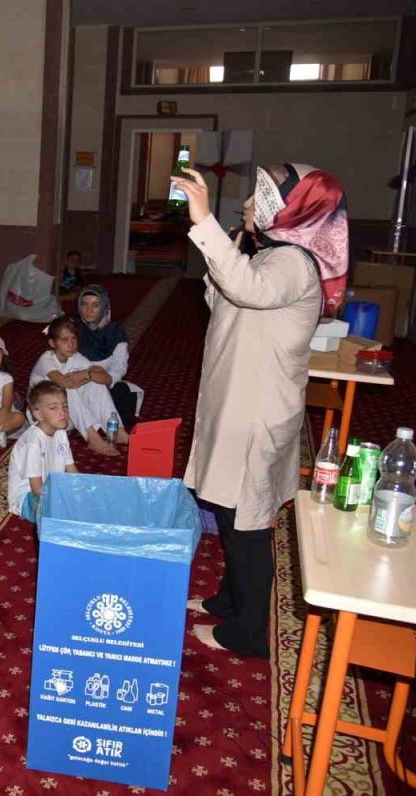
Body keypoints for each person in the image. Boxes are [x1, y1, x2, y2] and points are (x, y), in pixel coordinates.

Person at [171, 163, 346, 659]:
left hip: (255, 413)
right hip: (238, 403)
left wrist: (203, 221)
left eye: (259, 199)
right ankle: (229, 600)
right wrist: (228, 251)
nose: (248, 205)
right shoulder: (273, 257)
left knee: (245, 522)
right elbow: (228, 298)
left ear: (291, 211)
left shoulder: (292, 262)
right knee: (229, 513)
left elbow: (246, 290)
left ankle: (246, 633)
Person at [29, 316, 129, 457]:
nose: (71, 344)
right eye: (64, 340)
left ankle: (116, 430)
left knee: (96, 383)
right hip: (43, 418)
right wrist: (85, 375)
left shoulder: (75, 357)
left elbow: (104, 377)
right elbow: (65, 383)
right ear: (52, 343)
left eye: (73, 339)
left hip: (65, 418)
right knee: (67, 390)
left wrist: (85, 374)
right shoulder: (47, 359)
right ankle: (92, 437)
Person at [76, 284, 142, 431]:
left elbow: (120, 365)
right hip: (79, 383)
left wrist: (107, 380)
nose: (89, 310)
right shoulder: (74, 329)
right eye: (84, 304)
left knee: (121, 391)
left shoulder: (115, 332)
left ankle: (117, 428)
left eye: (95, 305)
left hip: (106, 381)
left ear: (104, 307)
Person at [8, 382, 78, 519]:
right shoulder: (33, 441)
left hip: (51, 489)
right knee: (53, 509)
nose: (62, 412)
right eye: (53, 408)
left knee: (84, 500)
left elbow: (72, 472)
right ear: (38, 414)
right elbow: (37, 489)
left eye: (65, 406)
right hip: (27, 496)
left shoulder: (61, 433)